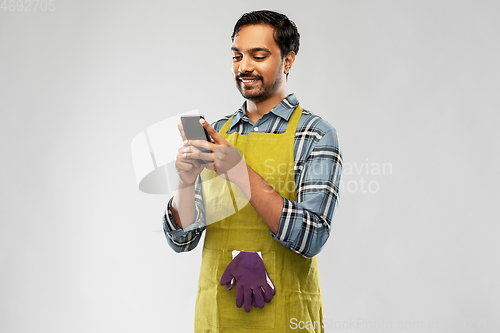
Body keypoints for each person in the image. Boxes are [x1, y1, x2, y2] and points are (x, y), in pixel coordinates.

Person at [163, 10, 343, 332]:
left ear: (287, 61)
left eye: (258, 55)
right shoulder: (217, 132)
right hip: (217, 317)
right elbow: (182, 238)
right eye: (237, 56)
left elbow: (312, 235)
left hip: (286, 318)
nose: (244, 66)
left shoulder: (315, 135)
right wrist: (185, 183)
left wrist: (239, 171)